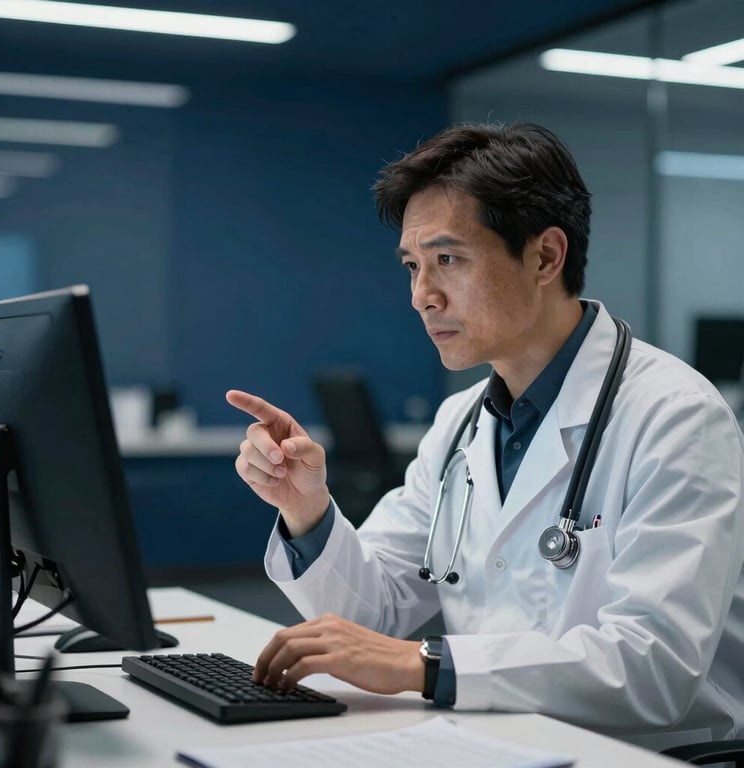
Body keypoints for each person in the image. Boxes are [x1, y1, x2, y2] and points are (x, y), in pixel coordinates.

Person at [226, 122, 744, 750]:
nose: (422, 295)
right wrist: (304, 509)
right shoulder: (461, 423)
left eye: (448, 260)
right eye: (413, 266)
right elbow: (374, 614)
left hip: (648, 754)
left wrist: (428, 666)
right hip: (495, 737)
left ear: (545, 257)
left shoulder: (675, 415)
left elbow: (653, 669)